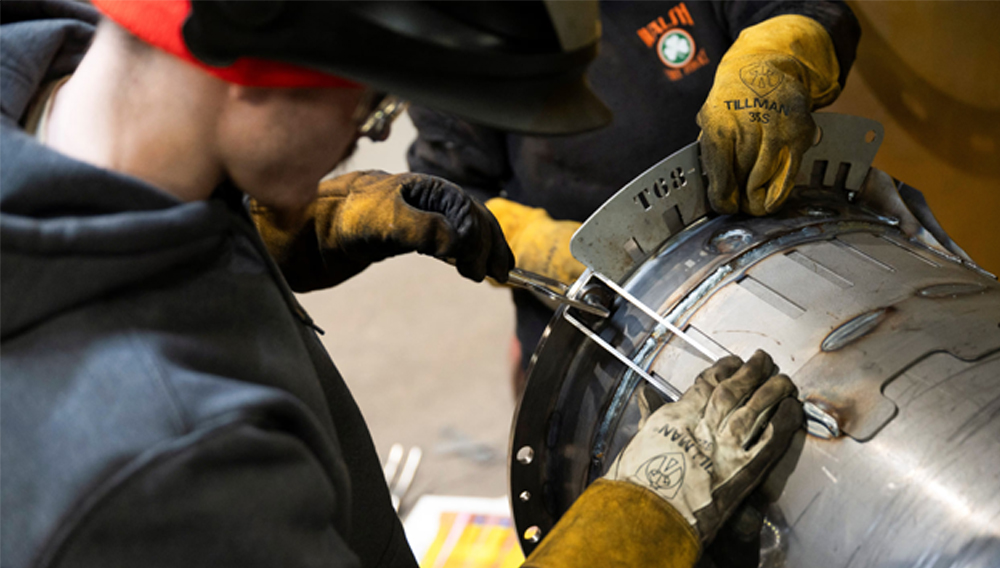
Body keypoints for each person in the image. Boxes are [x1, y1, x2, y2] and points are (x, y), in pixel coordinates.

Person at [0, 2, 802, 567]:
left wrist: (251, 238)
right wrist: (648, 509)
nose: (368, 139)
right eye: (372, 108)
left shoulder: (50, 95)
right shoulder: (170, 464)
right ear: (250, 68)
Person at [407, 1, 862, 394]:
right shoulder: (462, 27)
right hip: (601, 328)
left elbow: (812, 10)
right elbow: (445, 192)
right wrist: (545, 253)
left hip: (772, 274)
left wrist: (771, 63)